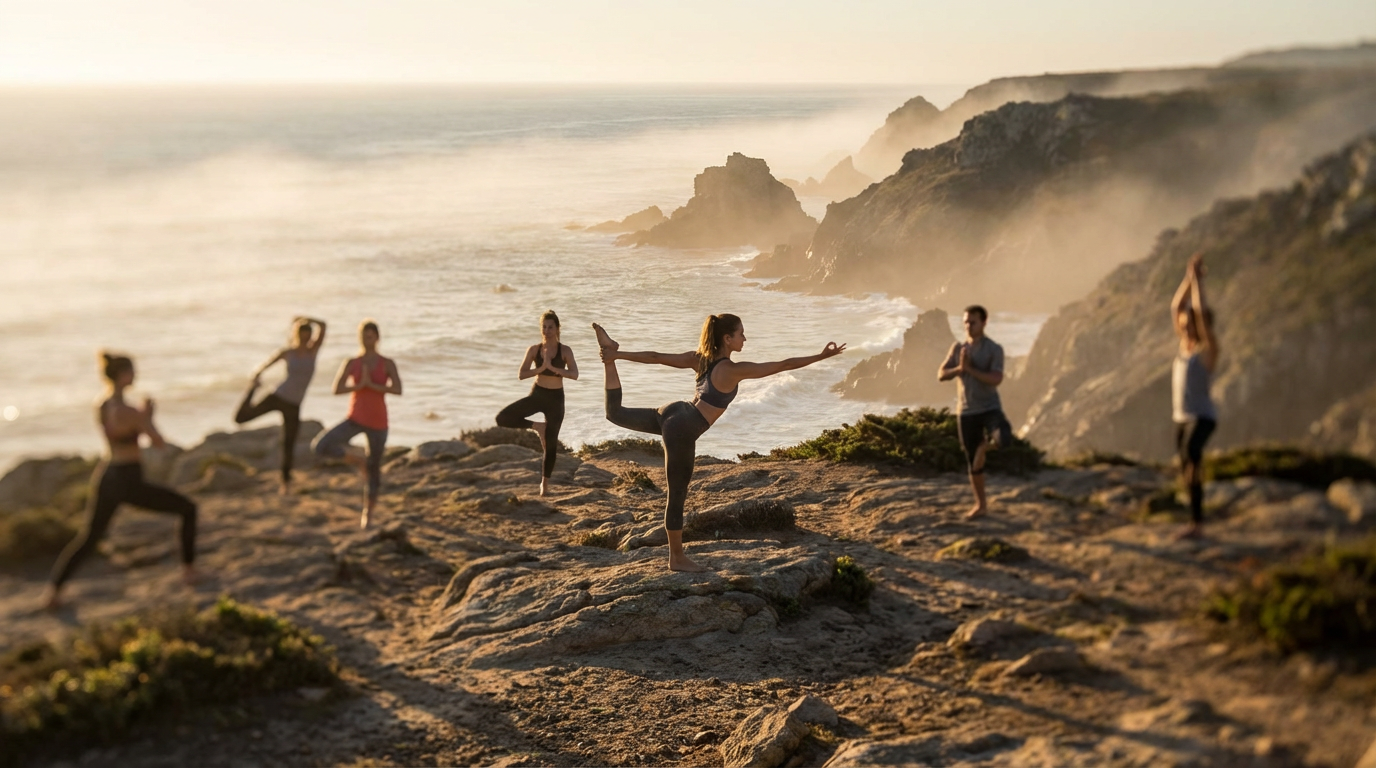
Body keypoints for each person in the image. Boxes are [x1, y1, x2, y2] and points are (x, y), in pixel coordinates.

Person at [592, 315, 845, 572]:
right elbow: (783, 364)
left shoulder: (699, 359)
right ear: (727, 338)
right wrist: (820, 356)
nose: (744, 339)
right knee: (677, 493)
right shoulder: (732, 370)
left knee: (615, 413)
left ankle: (609, 357)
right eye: (741, 334)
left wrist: (618, 355)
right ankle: (676, 558)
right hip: (683, 426)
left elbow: (656, 356)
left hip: (672, 411)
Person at [44, 353, 199, 610]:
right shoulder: (128, 411)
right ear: (123, 375)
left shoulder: (102, 405)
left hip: (107, 476)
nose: (136, 375)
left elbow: (115, 436)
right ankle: (189, 571)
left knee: (89, 537)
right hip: (128, 478)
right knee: (188, 508)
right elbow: (158, 443)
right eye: (132, 371)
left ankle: (53, 592)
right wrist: (148, 415)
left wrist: (141, 418)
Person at [313, 320, 402, 528]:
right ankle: (357, 460)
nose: (366, 340)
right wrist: (359, 386)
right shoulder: (352, 362)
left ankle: (367, 514)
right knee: (320, 446)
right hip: (355, 418)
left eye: (370, 336)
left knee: (374, 470)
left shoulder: (386, 363)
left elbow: (398, 389)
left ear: (377, 338)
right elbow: (337, 389)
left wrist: (373, 385)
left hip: (379, 422)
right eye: (363, 336)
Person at [234, 316, 326, 493]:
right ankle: (251, 392)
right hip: (278, 396)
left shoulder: (313, 351)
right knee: (241, 418)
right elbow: (263, 367)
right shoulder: (287, 352)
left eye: (309, 336)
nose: (306, 339)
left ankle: (286, 483)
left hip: (294, 404)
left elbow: (323, 326)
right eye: (303, 336)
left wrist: (305, 319)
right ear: (297, 335)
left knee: (288, 443)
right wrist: (256, 376)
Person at [938, 305, 1012, 519]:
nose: (968, 326)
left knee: (1003, 439)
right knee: (973, 464)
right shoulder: (958, 348)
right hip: (966, 411)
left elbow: (996, 379)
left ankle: (984, 448)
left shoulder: (993, 349)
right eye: (966, 322)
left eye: (973, 322)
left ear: (984, 322)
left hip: (989, 408)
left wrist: (970, 369)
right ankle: (981, 505)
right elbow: (941, 374)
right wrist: (959, 369)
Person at [496, 310, 579, 496]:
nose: (547, 330)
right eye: (544, 327)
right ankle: (536, 426)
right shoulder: (534, 349)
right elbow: (521, 374)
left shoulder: (565, 350)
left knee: (550, 445)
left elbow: (574, 374)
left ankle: (544, 485)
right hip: (538, 394)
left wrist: (557, 370)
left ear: (557, 329)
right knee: (502, 418)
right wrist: (540, 368)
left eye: (551, 327)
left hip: (556, 399)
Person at [1170, 253, 1219, 540]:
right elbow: (1177, 306)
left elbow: (1198, 312)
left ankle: (1198, 523)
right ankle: (1193, 520)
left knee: (1192, 460)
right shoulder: (1184, 345)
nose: (1186, 325)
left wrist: (1199, 284)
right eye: (1185, 323)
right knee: (1185, 467)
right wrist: (1189, 278)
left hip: (1202, 417)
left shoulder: (1207, 351)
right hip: (1181, 417)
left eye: (1191, 323)